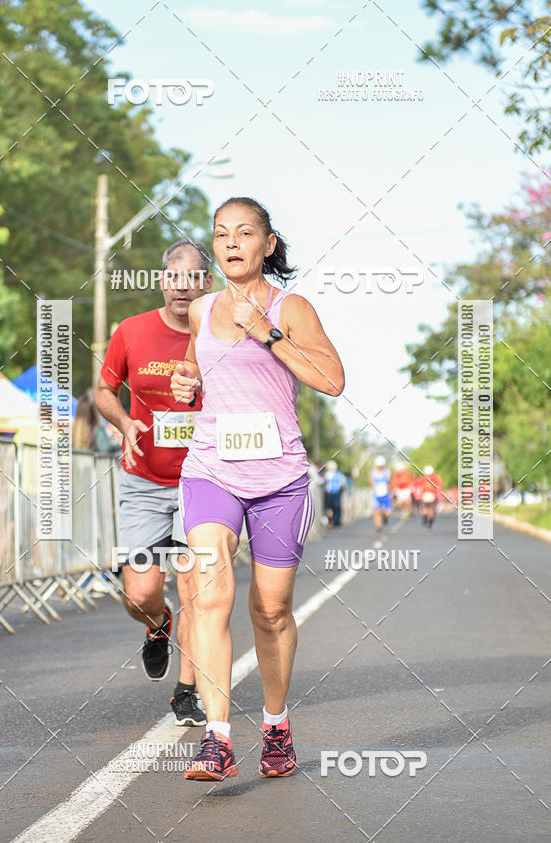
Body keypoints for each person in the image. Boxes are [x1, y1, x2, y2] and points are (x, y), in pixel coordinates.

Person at [171, 196, 344, 781]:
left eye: (245, 233)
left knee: (270, 611)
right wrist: (188, 383)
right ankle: (217, 740)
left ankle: (275, 724)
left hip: (279, 479)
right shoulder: (201, 310)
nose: (232, 242)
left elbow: (332, 380)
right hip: (211, 469)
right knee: (209, 595)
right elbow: (198, 373)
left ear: (268, 244)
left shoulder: (290, 307)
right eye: (222, 233)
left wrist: (267, 333)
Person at [94, 240, 213, 727]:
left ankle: (187, 691)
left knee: (194, 587)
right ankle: (158, 625)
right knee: (140, 593)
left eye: (193, 278)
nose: (183, 287)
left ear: (207, 283)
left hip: (202, 480)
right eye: (175, 277)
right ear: (163, 281)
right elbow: (104, 390)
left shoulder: (220, 335)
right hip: (144, 481)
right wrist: (124, 422)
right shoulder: (132, 330)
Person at [371, 455, 392, 531]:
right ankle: (378, 526)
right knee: (376, 511)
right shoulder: (373, 472)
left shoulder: (387, 472)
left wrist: (389, 490)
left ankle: (384, 517)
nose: (379, 467)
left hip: (386, 495)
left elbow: (390, 482)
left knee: (388, 512)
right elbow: (372, 483)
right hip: (377, 495)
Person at [324, 459, 345, 527]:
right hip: (332, 493)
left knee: (333, 507)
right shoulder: (331, 474)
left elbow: (342, 484)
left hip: (333, 493)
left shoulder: (336, 474)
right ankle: (333, 521)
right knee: (333, 507)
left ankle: (334, 521)